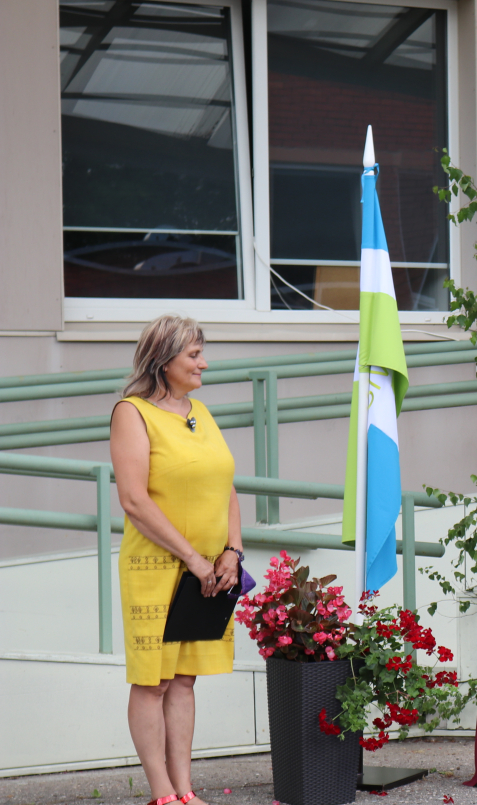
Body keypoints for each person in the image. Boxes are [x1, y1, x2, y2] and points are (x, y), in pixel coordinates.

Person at [110, 315, 243, 805]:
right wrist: (193, 559)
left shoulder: (200, 412)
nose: (203, 363)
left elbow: (225, 484)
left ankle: (185, 791)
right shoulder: (133, 413)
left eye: (202, 352)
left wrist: (232, 550)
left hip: (210, 569)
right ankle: (161, 793)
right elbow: (134, 500)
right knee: (154, 682)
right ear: (163, 360)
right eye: (193, 354)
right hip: (159, 567)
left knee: (184, 680)